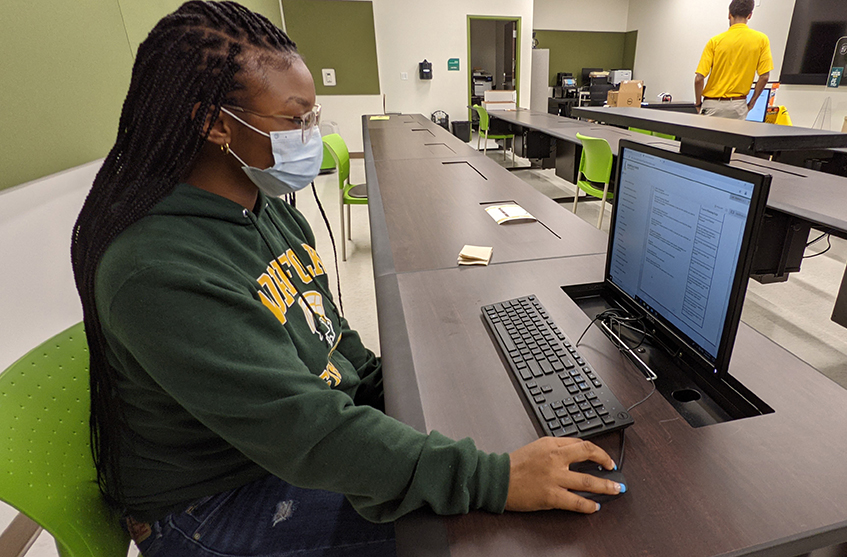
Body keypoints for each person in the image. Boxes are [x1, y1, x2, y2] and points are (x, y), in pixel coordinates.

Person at [69, 2, 622, 556]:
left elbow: (340, 354)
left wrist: (448, 424)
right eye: (294, 119)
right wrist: (491, 478)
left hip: (281, 448)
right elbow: (306, 431)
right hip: (213, 504)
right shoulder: (156, 267)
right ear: (214, 122)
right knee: (483, 533)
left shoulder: (267, 207)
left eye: (313, 117)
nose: (308, 135)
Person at [694, 0, 773, 120]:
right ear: (750, 15)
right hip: (738, 105)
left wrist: (698, 103)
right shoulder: (761, 40)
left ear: (729, 14)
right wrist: (752, 103)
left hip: (712, 105)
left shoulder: (715, 41)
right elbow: (764, 76)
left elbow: (699, 78)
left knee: (706, 139)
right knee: (734, 139)